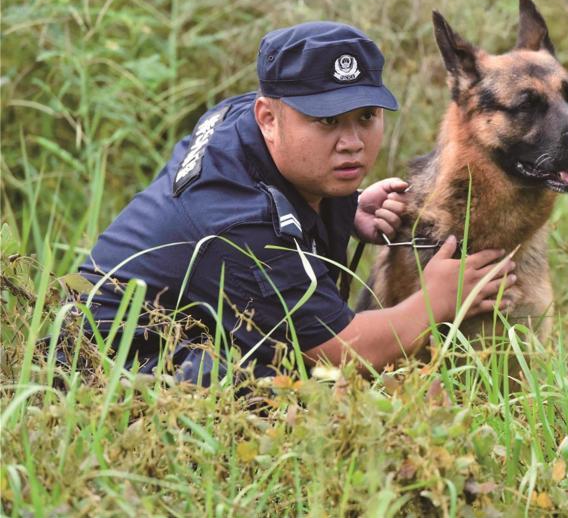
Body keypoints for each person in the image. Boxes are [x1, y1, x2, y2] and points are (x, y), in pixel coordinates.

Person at [75, 21, 516, 383]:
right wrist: (436, 298)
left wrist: (348, 205)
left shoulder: (240, 119)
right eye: (326, 120)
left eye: (367, 117)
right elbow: (342, 353)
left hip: (164, 327)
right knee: (274, 389)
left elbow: (276, 187)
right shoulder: (241, 224)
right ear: (269, 117)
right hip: (98, 370)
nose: (353, 144)